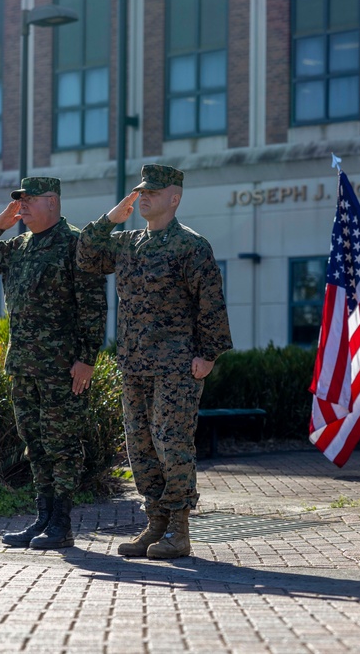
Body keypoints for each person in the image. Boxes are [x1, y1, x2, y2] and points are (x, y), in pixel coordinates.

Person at [76, 164, 232, 560]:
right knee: (140, 446)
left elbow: (210, 302)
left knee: (171, 443)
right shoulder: (127, 242)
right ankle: (155, 524)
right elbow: (86, 255)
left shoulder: (191, 246)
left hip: (177, 366)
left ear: (174, 198)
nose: (144, 196)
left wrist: (208, 354)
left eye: (153, 191)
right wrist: (112, 217)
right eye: (141, 190)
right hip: (134, 364)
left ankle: (179, 530)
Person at [0, 177, 106, 550]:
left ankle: (62, 524)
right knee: (35, 443)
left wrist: (87, 359)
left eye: (29, 201)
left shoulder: (75, 243)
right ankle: (42, 518)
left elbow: (93, 304)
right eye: (19, 201)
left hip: (62, 367)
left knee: (62, 444)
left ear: (53, 202)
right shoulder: (19, 246)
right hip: (23, 365)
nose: (22, 207)